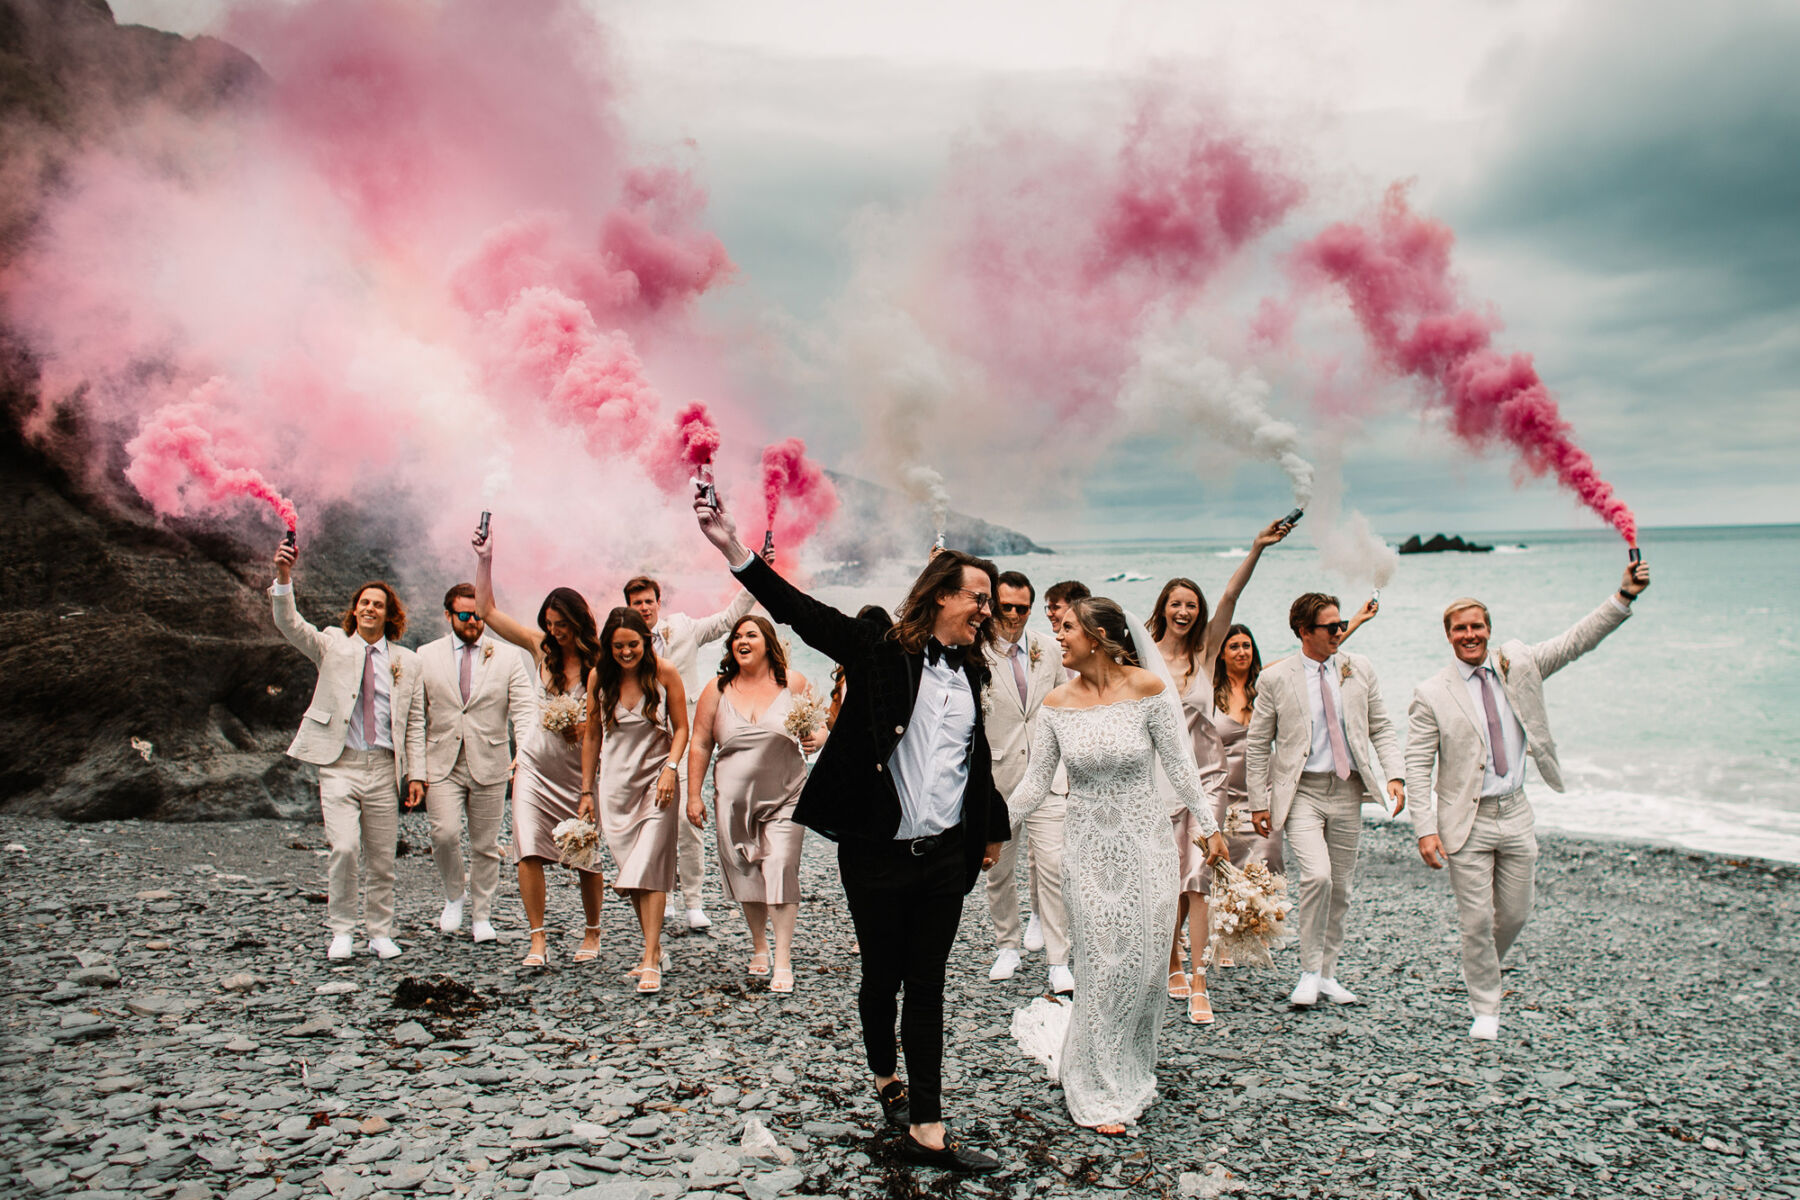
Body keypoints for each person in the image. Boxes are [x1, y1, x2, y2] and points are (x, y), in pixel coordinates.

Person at [694, 485, 1009, 1175]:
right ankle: (883, 1079)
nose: (987, 609)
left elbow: (971, 760)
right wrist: (735, 550)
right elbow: (803, 616)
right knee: (880, 979)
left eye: (989, 601)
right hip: (876, 853)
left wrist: (990, 832)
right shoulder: (877, 648)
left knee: (927, 986)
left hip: (942, 859)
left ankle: (926, 1125)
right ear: (939, 597)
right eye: (977, 597)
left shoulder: (972, 671)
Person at [1008, 598, 1229, 1133]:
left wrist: (1210, 826)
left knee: (1148, 965)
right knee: (1105, 964)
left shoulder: (1149, 690)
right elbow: (1036, 784)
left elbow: (1181, 767)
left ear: (1101, 636)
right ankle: (1096, 1083)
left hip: (1147, 847)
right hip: (1087, 850)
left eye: (1067, 629)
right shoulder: (1058, 703)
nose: (1058, 638)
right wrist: (991, 831)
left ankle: (1131, 1065)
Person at [1406, 559, 1649, 1040]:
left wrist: (1623, 596)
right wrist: (1425, 827)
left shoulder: (1519, 664)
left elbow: (1577, 641)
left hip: (1516, 812)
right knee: (1475, 919)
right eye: (1460, 629)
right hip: (1465, 821)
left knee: (1515, 913)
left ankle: (1479, 965)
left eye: (1477, 626)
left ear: (1489, 631)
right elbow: (1417, 765)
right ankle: (1486, 1007)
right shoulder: (1431, 693)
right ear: (1448, 635)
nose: (1469, 634)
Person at [1147, 519, 1292, 1021]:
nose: (1184, 611)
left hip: (1207, 779)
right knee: (1169, 880)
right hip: (1159, 779)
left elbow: (1232, 593)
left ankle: (1202, 979)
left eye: (1192, 605)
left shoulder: (1207, 655)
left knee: (1201, 877)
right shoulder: (1144, 659)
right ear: (1163, 609)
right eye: (1176, 604)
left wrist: (1257, 547)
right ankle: (1171, 962)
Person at [1245, 592, 1405, 1008]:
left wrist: (1396, 776)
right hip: (1302, 793)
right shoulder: (1276, 678)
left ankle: (1329, 974)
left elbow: (1382, 727)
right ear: (1304, 632)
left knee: (1342, 887)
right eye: (1331, 627)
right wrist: (1258, 802)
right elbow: (1259, 745)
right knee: (1317, 877)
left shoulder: (1359, 668)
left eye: (1340, 625)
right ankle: (1308, 971)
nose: (1340, 631)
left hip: (1349, 790)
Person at [269, 542, 425, 961]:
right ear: (355, 610)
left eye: (378, 604)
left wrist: (416, 775)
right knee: (344, 848)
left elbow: (414, 723)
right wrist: (284, 577)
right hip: (340, 765)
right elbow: (289, 623)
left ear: (389, 614)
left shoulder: (406, 662)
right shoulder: (332, 644)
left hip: (384, 768)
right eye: (364, 603)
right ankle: (342, 930)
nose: (370, 608)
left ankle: (379, 932)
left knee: (382, 857)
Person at [473, 526, 606, 968]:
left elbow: (615, 718)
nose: (554, 632)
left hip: (579, 770)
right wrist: (485, 558)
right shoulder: (538, 647)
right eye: (549, 625)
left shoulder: (599, 659)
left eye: (562, 625)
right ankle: (537, 939)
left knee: (584, 850)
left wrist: (583, 727)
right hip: (533, 763)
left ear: (578, 620)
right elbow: (487, 610)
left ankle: (592, 932)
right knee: (527, 847)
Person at [686, 615, 822, 992]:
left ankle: (782, 959)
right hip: (733, 802)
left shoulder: (791, 683)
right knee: (746, 872)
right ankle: (759, 945)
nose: (741, 641)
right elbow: (699, 743)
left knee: (779, 866)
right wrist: (693, 795)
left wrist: (819, 739)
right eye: (737, 636)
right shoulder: (717, 688)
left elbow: (821, 724)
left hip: (787, 795)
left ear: (768, 643)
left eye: (751, 635)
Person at [626, 574, 755, 932]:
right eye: (637, 603)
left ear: (658, 602)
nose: (644, 608)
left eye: (649, 601)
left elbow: (728, 620)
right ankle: (660, 894)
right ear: (629, 608)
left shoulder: (683, 629)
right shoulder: (624, 642)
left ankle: (693, 902)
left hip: (686, 739)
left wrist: (755, 579)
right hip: (643, 744)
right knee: (653, 820)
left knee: (686, 818)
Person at [409, 583, 536, 944]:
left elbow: (524, 709)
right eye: (464, 615)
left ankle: (482, 913)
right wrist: (416, 770)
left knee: (484, 843)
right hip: (442, 761)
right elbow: (417, 717)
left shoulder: (509, 656)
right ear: (448, 615)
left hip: (491, 759)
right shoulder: (425, 655)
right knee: (444, 834)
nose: (473, 623)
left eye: (478, 615)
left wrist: (522, 754)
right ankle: (454, 895)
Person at [579, 607, 689, 993]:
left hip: (658, 783)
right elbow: (592, 735)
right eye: (618, 647)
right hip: (615, 788)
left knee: (651, 868)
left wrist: (671, 768)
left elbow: (682, 729)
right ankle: (653, 949)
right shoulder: (598, 678)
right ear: (608, 647)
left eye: (633, 645)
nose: (626, 653)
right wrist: (587, 791)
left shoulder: (664, 673)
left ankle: (649, 958)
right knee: (632, 875)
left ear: (646, 641)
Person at [980, 571, 1074, 995]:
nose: (1015, 615)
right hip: (997, 779)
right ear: (994, 605)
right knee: (999, 867)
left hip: (1048, 775)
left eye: (1023, 608)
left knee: (1054, 867)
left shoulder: (1049, 648)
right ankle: (1008, 945)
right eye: (1007, 607)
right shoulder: (976, 650)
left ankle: (1059, 959)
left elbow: (1064, 705)